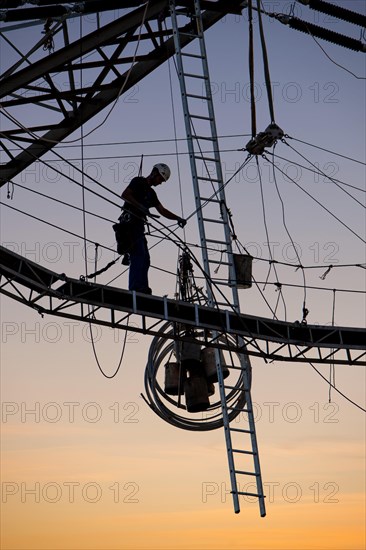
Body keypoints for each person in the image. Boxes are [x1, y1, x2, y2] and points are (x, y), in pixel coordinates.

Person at [119, 163, 186, 294]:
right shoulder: (138, 181)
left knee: (145, 258)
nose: (160, 183)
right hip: (130, 223)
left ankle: (142, 287)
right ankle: (135, 287)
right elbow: (125, 194)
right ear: (155, 173)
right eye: (160, 179)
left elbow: (162, 210)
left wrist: (178, 218)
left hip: (139, 226)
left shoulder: (151, 193)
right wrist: (140, 206)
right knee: (138, 254)